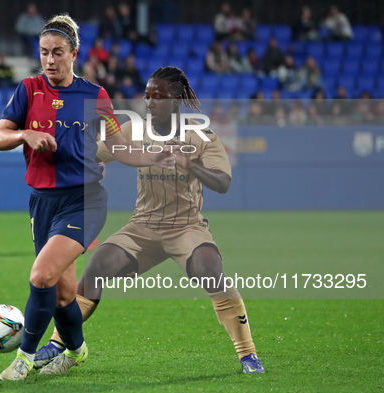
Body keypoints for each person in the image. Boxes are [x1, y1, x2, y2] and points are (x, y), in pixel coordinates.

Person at [34, 66, 266, 375]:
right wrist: (88, 165)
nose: (150, 102)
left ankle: (247, 354)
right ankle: (59, 342)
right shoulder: (133, 130)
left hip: (186, 228)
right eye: (147, 96)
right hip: (142, 227)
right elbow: (96, 153)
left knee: (211, 272)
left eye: (158, 96)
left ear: (177, 99)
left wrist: (190, 163)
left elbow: (222, 182)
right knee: (97, 268)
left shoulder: (200, 136)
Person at [0, 14, 174, 381]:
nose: (50, 60)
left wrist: (155, 156)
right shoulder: (28, 90)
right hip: (42, 203)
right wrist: (25, 134)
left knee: (42, 275)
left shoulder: (95, 95)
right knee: (62, 295)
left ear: (74, 53)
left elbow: (120, 147)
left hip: (84, 200)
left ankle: (23, 359)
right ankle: (76, 349)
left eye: (58, 53)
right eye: (44, 53)